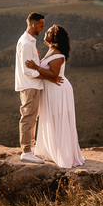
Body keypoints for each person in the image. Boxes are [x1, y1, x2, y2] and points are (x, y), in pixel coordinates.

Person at [26, 25, 85, 169]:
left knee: (58, 120)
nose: (46, 32)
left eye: (50, 31)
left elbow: (54, 75)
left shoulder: (58, 54)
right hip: (52, 89)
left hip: (58, 89)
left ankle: (63, 154)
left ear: (55, 37)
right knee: (50, 119)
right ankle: (51, 150)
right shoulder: (51, 50)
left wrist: (36, 67)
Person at [14, 13, 48, 163]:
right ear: (34, 25)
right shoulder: (27, 43)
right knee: (28, 117)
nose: (42, 29)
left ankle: (30, 148)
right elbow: (27, 70)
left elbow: (30, 65)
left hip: (32, 85)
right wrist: (45, 75)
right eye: (41, 26)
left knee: (32, 118)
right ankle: (26, 151)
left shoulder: (29, 42)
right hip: (30, 86)